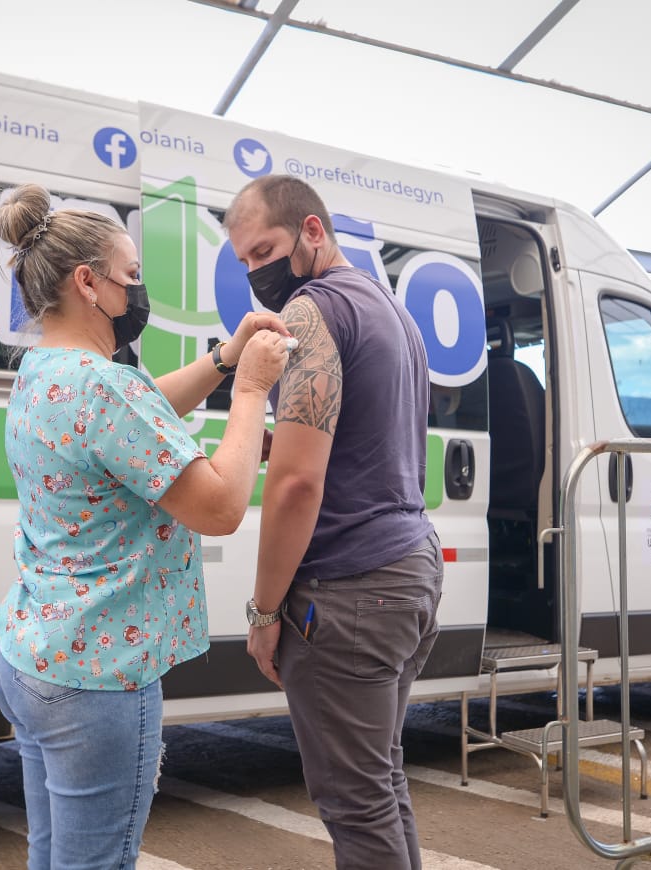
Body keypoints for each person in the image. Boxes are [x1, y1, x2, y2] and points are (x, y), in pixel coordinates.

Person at [0, 183, 291, 870]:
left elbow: (138, 411)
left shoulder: (46, 370)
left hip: (27, 650)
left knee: (53, 855)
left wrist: (223, 357)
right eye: (132, 276)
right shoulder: (103, 386)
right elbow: (218, 507)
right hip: (93, 677)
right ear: (88, 282)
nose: (137, 291)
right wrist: (249, 391)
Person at [224, 175, 444, 870]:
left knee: (356, 803)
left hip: (349, 589)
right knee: (378, 787)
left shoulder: (312, 311)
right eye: (242, 261)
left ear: (313, 231)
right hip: (407, 568)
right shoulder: (390, 311)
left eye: (264, 248)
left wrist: (263, 613)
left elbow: (294, 485)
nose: (256, 270)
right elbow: (366, 438)